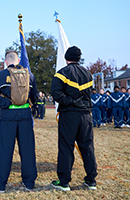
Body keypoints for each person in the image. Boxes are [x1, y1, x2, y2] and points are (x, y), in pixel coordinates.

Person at [0, 50, 38, 192]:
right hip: (25, 115)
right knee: (27, 150)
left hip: (8, 115)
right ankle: (29, 183)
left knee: (6, 150)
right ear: (19, 60)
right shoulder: (30, 76)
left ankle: (0, 184)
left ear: (6, 61)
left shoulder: (1, 75)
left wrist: (6, 103)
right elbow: (35, 97)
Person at [51, 46, 97, 191]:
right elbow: (88, 93)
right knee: (87, 147)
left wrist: (70, 101)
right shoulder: (88, 74)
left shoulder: (62, 73)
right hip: (86, 115)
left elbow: (56, 93)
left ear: (66, 58)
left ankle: (64, 182)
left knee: (66, 147)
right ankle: (91, 180)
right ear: (79, 58)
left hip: (69, 115)